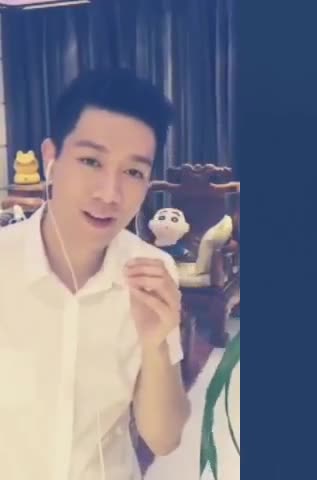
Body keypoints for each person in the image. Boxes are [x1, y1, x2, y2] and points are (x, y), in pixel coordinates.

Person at [0, 69, 191, 480]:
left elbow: (164, 439)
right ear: (51, 159)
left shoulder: (152, 273)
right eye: (91, 161)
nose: (109, 193)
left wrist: (155, 346)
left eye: (133, 172)